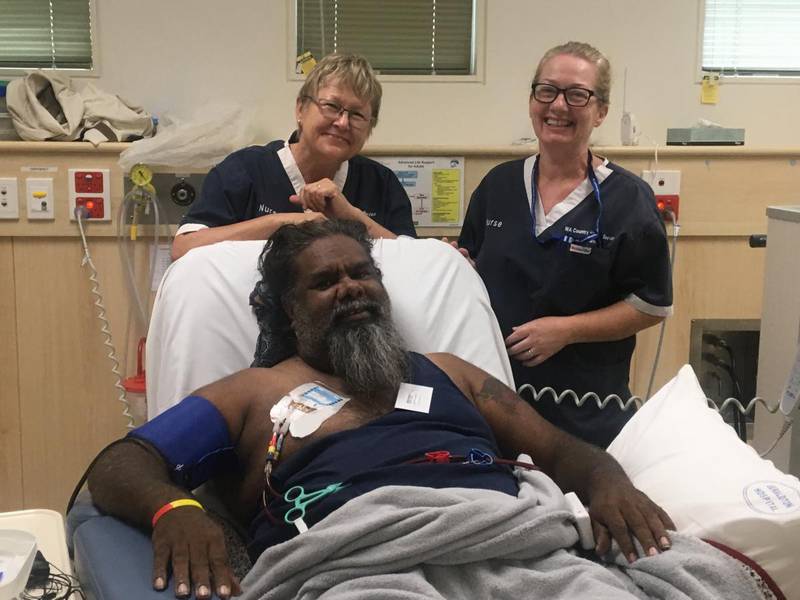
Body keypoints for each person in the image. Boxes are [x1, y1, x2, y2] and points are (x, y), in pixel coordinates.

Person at [86, 219, 676, 600]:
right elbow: (122, 463)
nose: (352, 287)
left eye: (362, 273)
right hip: (361, 570)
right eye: (326, 281)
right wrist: (173, 508)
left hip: (513, 552)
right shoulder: (253, 393)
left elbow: (556, 449)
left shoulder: (450, 372)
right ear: (289, 310)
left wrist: (607, 481)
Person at [457, 42, 672, 448]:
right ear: (532, 99)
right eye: (547, 91)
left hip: (586, 411)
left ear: (600, 111)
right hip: (497, 402)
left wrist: (566, 331)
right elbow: (472, 263)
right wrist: (455, 265)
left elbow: (651, 304)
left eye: (577, 95)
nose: (558, 105)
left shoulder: (629, 199)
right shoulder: (498, 185)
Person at [171, 53, 416, 261]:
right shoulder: (245, 170)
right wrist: (280, 224)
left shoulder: (381, 183)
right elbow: (183, 249)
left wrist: (350, 216)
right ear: (300, 108)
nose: (342, 123)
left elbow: (413, 262)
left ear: (370, 127)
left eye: (357, 115)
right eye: (331, 106)